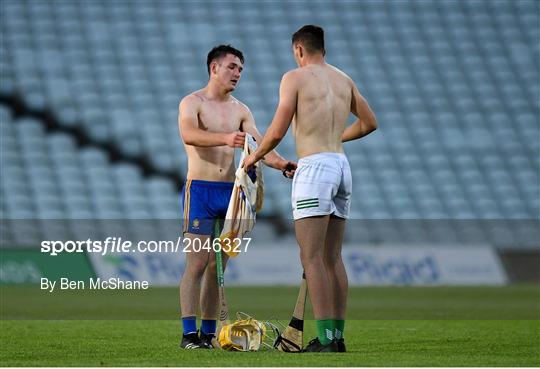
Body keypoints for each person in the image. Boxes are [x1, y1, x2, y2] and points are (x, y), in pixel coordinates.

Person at [243, 25, 377, 352]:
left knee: (311, 256)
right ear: (323, 49)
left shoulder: (295, 78)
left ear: (299, 50)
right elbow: (369, 122)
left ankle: (327, 341)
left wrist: (253, 158)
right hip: (341, 166)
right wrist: (334, 140)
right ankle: (336, 337)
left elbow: (276, 130)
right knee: (333, 257)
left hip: (315, 168)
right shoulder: (343, 79)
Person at [178, 44, 296, 349]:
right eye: (232, 67)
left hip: (231, 194)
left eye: (241, 69)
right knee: (198, 262)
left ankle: (208, 332)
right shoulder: (192, 102)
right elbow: (189, 134)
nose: (238, 73)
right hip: (200, 191)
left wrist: (282, 163)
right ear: (214, 68)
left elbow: (258, 145)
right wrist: (226, 138)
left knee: (219, 266)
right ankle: (188, 334)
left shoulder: (241, 110)